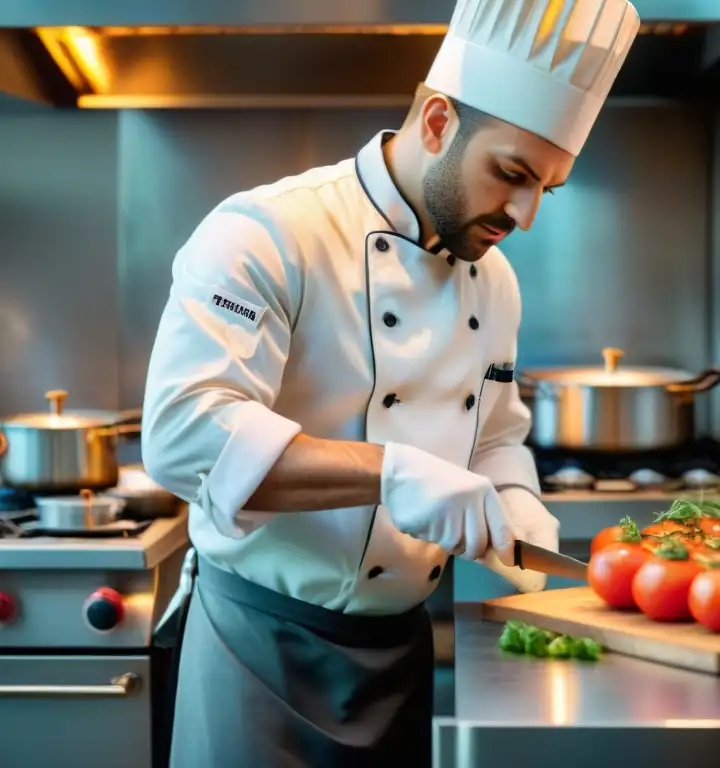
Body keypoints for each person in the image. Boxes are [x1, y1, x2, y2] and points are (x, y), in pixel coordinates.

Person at [141, 0, 640, 764]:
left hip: (398, 657)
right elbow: (183, 437)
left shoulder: (495, 280)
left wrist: (517, 501)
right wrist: (392, 472)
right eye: (511, 174)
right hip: (256, 652)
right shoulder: (268, 234)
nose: (526, 213)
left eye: (548, 187)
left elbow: (498, 431)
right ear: (438, 122)